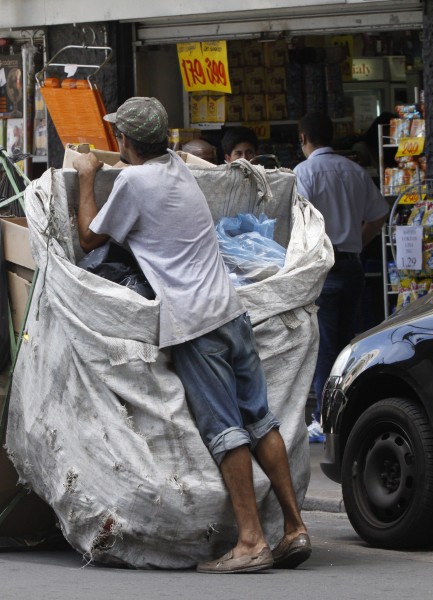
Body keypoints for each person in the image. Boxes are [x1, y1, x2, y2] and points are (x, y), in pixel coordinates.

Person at [73, 97, 310, 574]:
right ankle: (294, 527)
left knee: (226, 432)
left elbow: (88, 237)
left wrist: (84, 175)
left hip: (195, 324)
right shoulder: (179, 169)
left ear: (125, 141)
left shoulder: (133, 182)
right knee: (260, 421)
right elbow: (150, 164)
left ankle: (249, 541)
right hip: (230, 310)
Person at [294, 112, 389, 442]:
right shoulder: (355, 170)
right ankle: (345, 413)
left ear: (303, 138)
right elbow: (379, 215)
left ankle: (325, 418)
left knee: (324, 348)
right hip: (351, 266)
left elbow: (298, 223)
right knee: (346, 346)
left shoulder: (303, 173)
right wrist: (358, 242)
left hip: (323, 269)